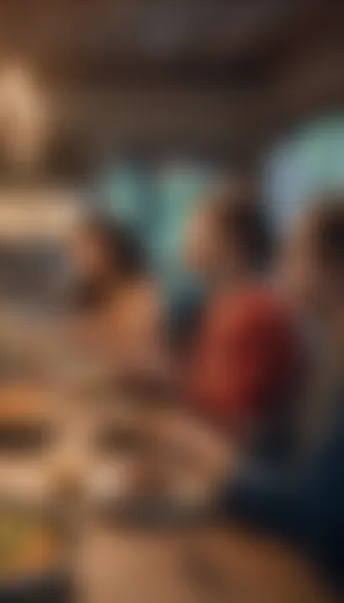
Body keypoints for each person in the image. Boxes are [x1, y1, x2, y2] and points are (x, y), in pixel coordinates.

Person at [173, 197, 344, 588]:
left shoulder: (257, 312)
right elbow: (285, 444)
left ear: (333, 269)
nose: (280, 265)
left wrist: (226, 469)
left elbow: (322, 512)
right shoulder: (330, 348)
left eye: (293, 252)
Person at [182, 185, 301, 457]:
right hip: (211, 452)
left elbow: (234, 423)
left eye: (198, 230)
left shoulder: (254, 313)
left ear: (231, 242)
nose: (186, 240)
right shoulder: (225, 304)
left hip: (232, 465)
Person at [68, 214, 159, 371]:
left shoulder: (138, 295)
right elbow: (74, 341)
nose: (78, 259)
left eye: (87, 250)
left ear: (111, 253)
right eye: (77, 250)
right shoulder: (88, 290)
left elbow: (131, 358)